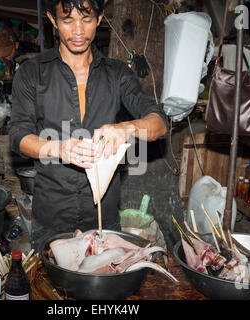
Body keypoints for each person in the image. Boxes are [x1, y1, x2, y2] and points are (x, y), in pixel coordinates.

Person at [9, 0, 169, 251]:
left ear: (100, 18)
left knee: (107, 286)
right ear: (53, 20)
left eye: (86, 19)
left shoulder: (117, 74)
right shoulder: (32, 72)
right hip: (51, 220)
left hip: (105, 221)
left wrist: (126, 128)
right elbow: (18, 136)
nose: (78, 31)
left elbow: (159, 123)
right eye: (67, 20)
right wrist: (59, 149)